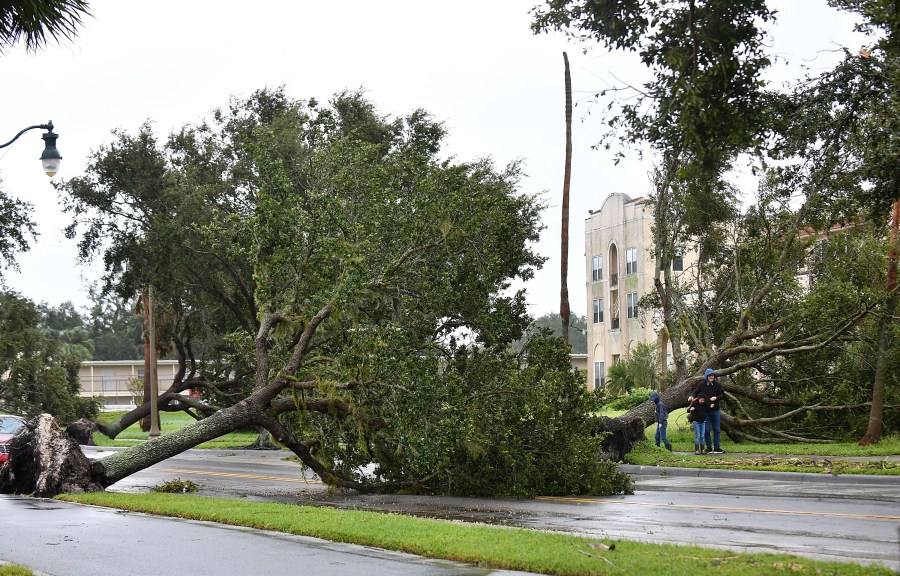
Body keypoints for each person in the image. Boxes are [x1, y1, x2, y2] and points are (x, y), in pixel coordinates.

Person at [693, 367, 725, 454]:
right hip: (705, 411)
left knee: (716, 429)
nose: (711, 377)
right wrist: (692, 396)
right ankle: (709, 447)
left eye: (712, 375)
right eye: (709, 375)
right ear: (706, 376)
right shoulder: (702, 384)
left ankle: (717, 447)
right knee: (706, 430)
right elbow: (696, 392)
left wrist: (716, 398)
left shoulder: (717, 385)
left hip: (715, 410)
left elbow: (722, 395)